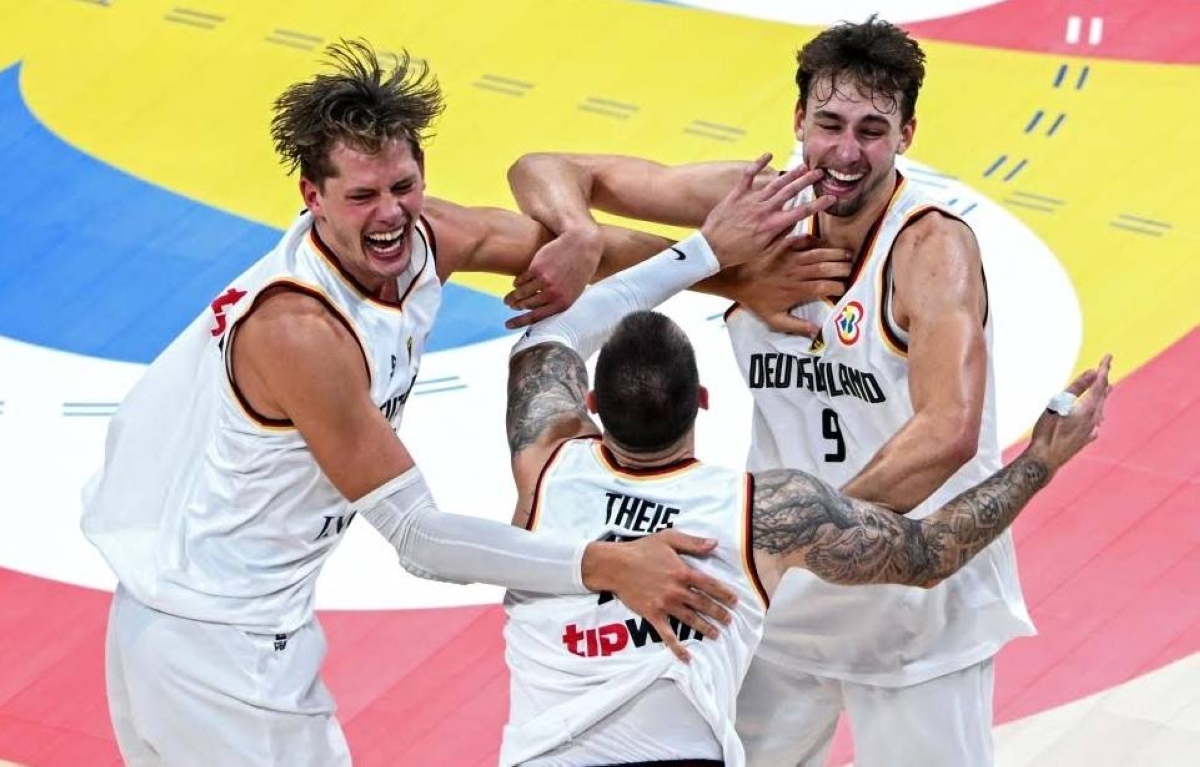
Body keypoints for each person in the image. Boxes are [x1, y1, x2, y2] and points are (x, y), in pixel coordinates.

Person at [80, 40, 745, 766]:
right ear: (312, 197)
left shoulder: (426, 239)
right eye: (361, 196)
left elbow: (575, 244)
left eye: (402, 186)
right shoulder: (302, 332)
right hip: (219, 652)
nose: (389, 214)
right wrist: (606, 564)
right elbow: (419, 538)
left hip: (188, 619)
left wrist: (724, 269)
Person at [507, 15, 1042, 766]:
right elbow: (546, 166)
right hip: (786, 605)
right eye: (828, 124)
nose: (847, 152)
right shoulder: (757, 205)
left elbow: (949, 432)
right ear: (798, 119)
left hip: (915, 603)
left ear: (907, 134)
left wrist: (802, 532)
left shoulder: (931, 249)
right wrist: (581, 232)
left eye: (871, 129)